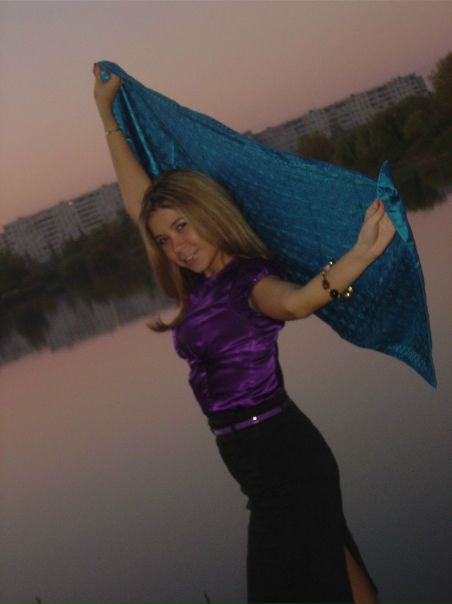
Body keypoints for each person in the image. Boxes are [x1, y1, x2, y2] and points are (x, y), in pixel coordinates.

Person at [93, 64, 395, 604]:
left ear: (207, 213)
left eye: (183, 227)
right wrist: (106, 115)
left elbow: (296, 302)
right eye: (164, 240)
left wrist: (360, 255)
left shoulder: (247, 280)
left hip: (283, 456)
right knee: (336, 563)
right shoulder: (199, 284)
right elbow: (139, 204)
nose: (176, 246)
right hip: (254, 461)